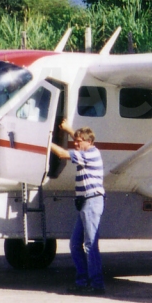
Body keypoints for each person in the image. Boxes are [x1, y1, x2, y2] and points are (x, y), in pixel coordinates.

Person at [50, 123, 105, 294]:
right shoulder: (87, 149)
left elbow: (61, 153)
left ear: (89, 142)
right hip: (85, 203)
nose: (76, 143)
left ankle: (96, 285)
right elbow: (80, 138)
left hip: (91, 202)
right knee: (75, 244)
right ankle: (82, 282)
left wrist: (44, 138)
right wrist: (68, 130)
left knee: (89, 245)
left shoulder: (89, 155)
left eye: (78, 141)